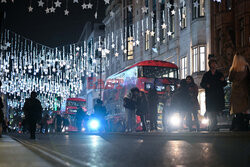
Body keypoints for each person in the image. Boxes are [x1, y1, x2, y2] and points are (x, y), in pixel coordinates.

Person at [200, 59, 227, 131]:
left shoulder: (219, 74)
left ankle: (214, 125)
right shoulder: (206, 75)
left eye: (215, 64)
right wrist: (206, 85)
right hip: (210, 96)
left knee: (216, 111)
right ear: (210, 65)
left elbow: (224, 84)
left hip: (218, 96)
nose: (214, 65)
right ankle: (212, 125)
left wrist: (223, 80)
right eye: (212, 64)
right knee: (210, 111)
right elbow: (202, 84)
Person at [229, 54, 250, 131]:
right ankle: (245, 125)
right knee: (244, 109)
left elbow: (230, 79)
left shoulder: (233, 69)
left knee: (237, 111)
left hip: (236, 92)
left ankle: (238, 126)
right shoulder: (246, 68)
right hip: (244, 91)